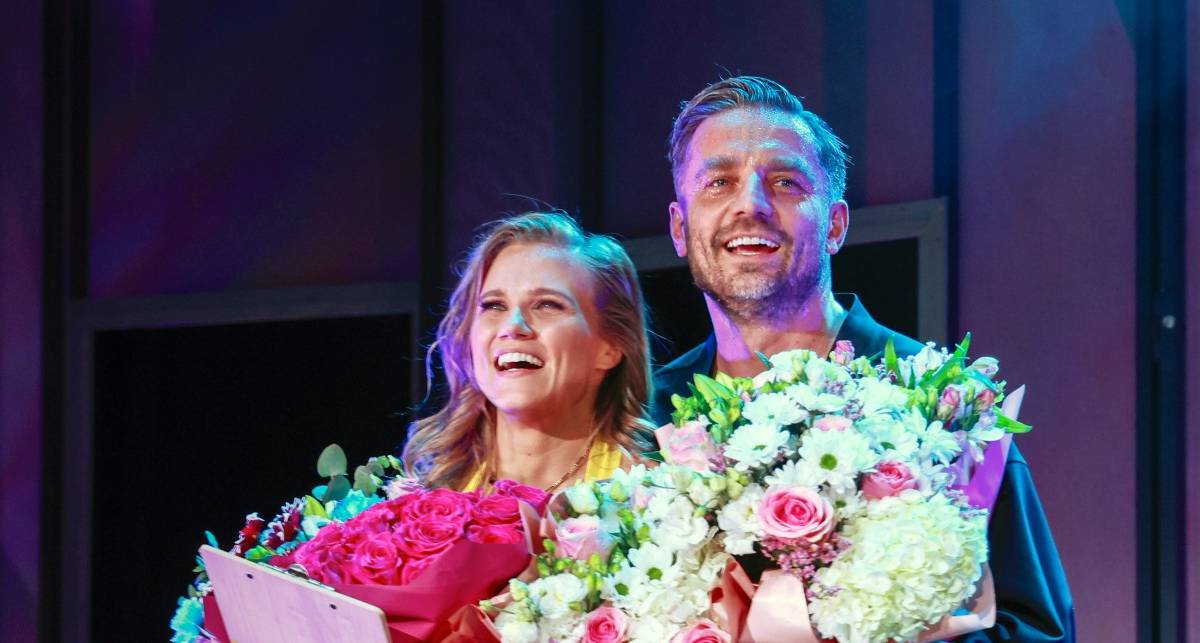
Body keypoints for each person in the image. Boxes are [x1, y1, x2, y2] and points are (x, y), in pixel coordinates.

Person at [650, 76, 1075, 641]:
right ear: (680, 228)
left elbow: (1039, 631)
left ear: (835, 225)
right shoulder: (644, 416)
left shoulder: (941, 405)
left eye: (785, 182)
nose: (750, 204)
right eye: (718, 182)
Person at [403, 211, 653, 493]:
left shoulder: (656, 499)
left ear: (611, 346)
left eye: (547, 305)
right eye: (494, 305)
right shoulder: (420, 499)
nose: (512, 326)